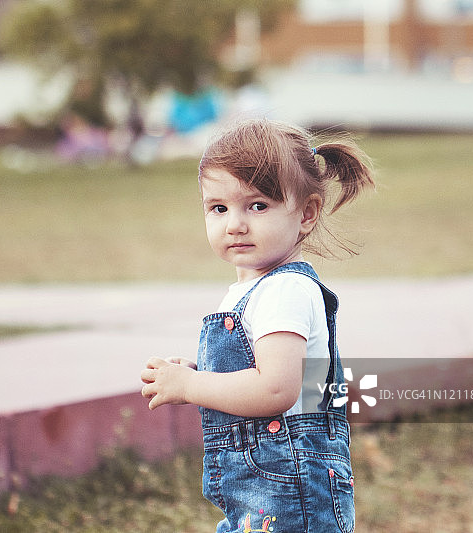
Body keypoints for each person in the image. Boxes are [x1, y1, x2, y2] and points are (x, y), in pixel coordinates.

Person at [140, 119, 374, 533]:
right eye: (219, 208)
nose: (235, 224)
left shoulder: (285, 291)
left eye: (258, 205)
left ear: (306, 214)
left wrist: (190, 387)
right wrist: (201, 374)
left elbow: (276, 389)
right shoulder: (261, 290)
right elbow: (266, 374)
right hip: (267, 488)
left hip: (290, 495)